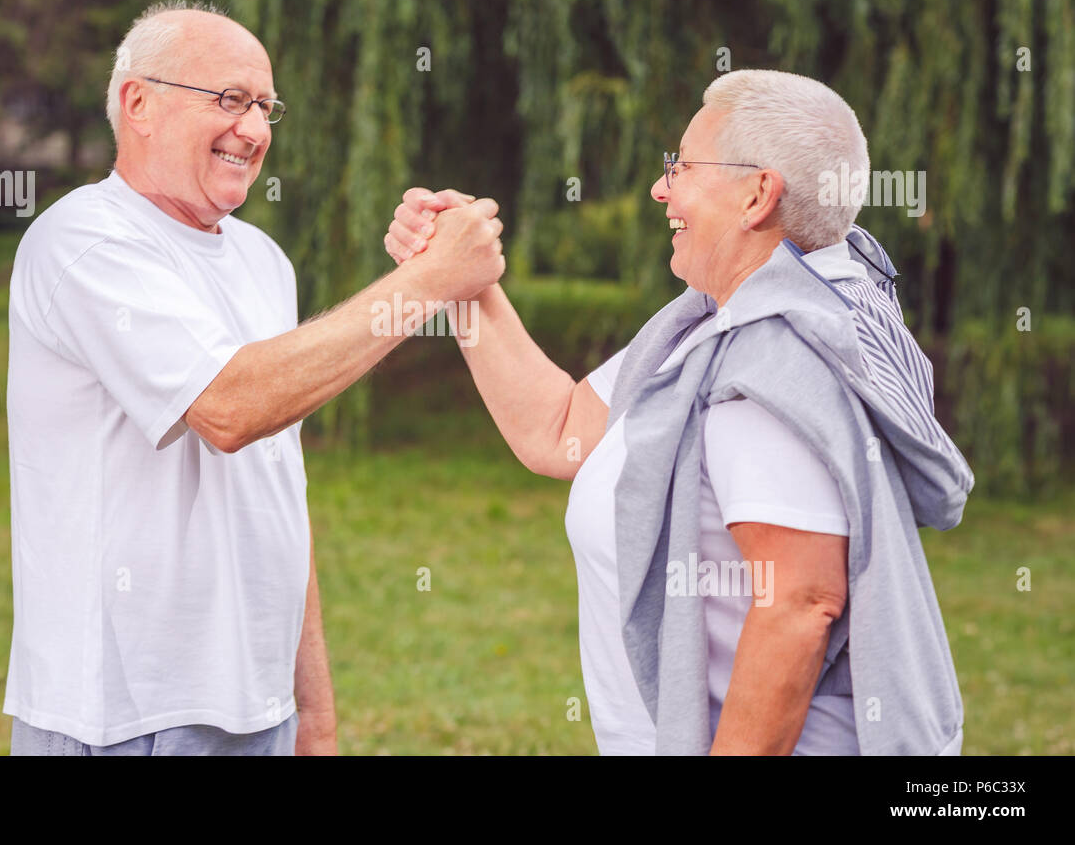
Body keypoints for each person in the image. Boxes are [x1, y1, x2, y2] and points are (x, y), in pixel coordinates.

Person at [385, 69, 974, 755]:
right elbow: (562, 431)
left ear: (758, 194)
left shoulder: (775, 361)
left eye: (682, 166)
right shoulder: (709, 323)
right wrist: (458, 282)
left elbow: (798, 605)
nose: (661, 188)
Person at [4, 0, 505, 755]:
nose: (255, 129)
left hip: (258, 710)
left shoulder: (262, 262)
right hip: (121, 714)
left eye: (266, 107)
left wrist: (316, 715)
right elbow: (231, 408)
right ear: (139, 103)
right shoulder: (83, 240)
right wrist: (429, 283)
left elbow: (278, 494)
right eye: (230, 100)